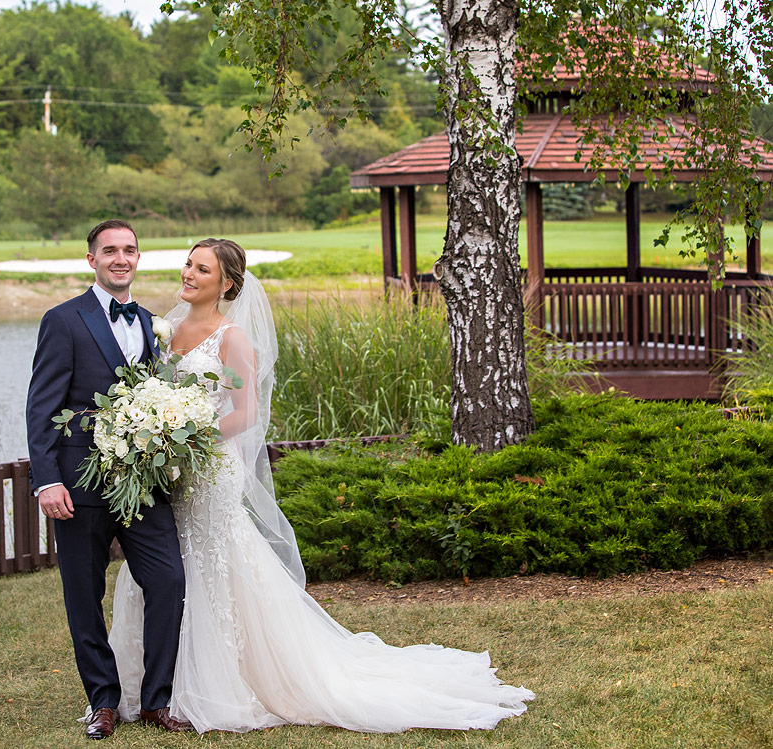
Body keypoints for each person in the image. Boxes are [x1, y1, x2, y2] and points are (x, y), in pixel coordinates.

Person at [108, 238, 535, 733]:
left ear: (226, 283)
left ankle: (217, 681)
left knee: (213, 565)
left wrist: (185, 438)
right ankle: (151, 683)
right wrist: (156, 436)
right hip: (171, 472)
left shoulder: (233, 339)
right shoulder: (165, 329)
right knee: (164, 565)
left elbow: (245, 414)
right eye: (187, 263)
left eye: (201, 268)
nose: (188, 273)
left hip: (207, 468)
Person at [25, 219, 193, 740]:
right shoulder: (63, 320)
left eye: (130, 250)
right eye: (111, 251)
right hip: (77, 485)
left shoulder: (152, 324)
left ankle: (156, 700)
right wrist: (46, 481)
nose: (121, 258)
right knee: (83, 594)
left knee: (169, 581)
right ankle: (102, 700)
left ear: (137, 258)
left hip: (142, 485)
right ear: (92, 259)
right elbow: (41, 407)